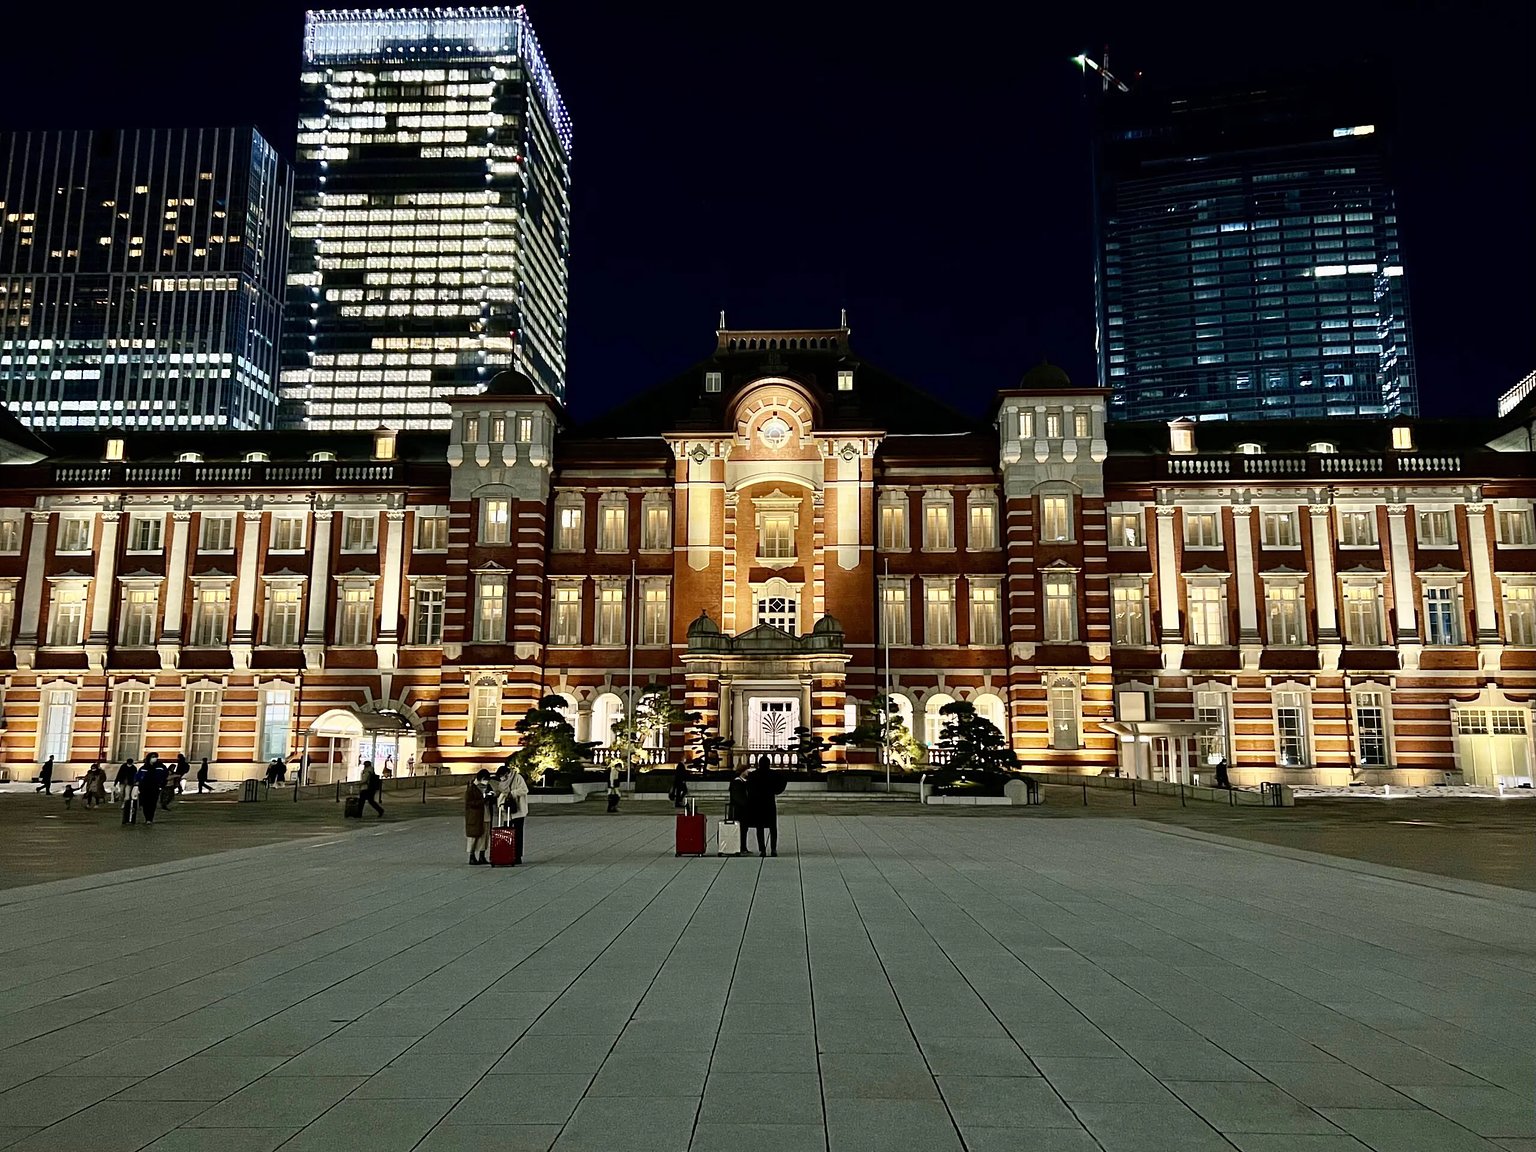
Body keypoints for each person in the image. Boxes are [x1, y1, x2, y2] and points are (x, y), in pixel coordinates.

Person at [747, 754, 787, 858]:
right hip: (769, 803)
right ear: (769, 764)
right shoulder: (773, 774)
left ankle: (762, 850)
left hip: (758, 804)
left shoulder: (753, 775)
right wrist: (776, 791)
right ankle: (773, 849)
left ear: (759, 764)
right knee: (773, 828)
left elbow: (749, 789)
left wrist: (752, 797)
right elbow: (784, 780)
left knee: (759, 828)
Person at [465, 770, 492, 864]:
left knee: (485, 837)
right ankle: (472, 856)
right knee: (474, 837)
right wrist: (483, 800)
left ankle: (482, 855)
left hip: (486, 815)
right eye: (485, 779)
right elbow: (469, 803)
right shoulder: (472, 789)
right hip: (475, 816)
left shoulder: (487, 787)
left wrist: (490, 797)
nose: (487, 782)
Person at [728, 762, 753, 849]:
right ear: (742, 771)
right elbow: (738, 797)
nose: (748, 772)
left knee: (744, 829)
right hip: (738, 810)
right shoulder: (737, 782)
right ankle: (739, 847)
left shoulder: (744, 782)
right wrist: (747, 803)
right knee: (739, 829)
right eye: (747, 770)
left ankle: (743, 847)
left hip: (743, 811)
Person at [137, 754, 166, 825]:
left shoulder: (160, 767)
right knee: (145, 803)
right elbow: (138, 776)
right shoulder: (144, 767)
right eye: (153, 757)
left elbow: (165, 776)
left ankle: (150, 818)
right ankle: (147, 818)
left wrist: (162, 784)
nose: (155, 758)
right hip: (144, 787)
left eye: (155, 757)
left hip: (155, 787)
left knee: (152, 803)